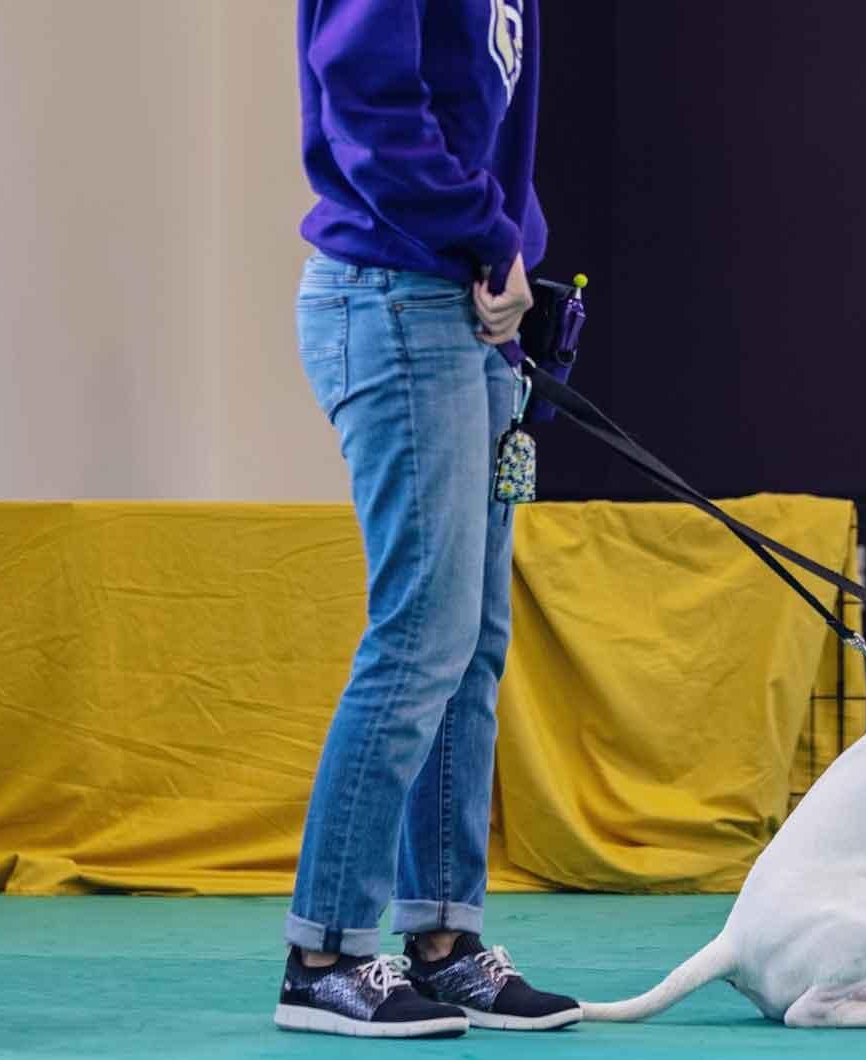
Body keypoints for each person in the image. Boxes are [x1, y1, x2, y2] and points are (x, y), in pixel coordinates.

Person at [273, 0, 579, 1039]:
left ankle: (442, 939)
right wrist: (487, 238)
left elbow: (485, 117)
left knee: (473, 643)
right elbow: (369, 103)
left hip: (467, 308)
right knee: (420, 637)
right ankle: (325, 954)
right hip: (395, 296)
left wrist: (507, 257)